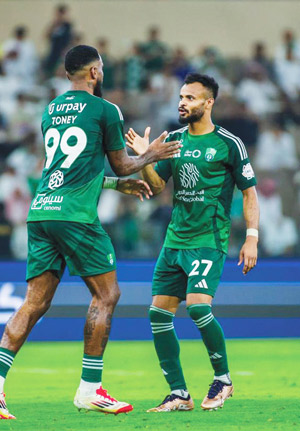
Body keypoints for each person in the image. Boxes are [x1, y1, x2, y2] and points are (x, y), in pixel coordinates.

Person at [0, 44, 181, 420]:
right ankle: (89, 389)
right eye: (101, 67)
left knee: (34, 302)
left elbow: (67, 167)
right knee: (107, 294)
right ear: (94, 72)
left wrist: (114, 185)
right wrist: (152, 154)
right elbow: (123, 163)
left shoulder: (51, 110)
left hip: (42, 211)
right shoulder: (106, 110)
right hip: (75, 217)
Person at [124, 73, 259, 412]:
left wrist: (251, 237)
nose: (182, 102)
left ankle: (223, 379)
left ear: (208, 103)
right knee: (158, 314)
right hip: (174, 241)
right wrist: (145, 158)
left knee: (198, 306)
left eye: (190, 98)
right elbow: (156, 186)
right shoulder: (174, 141)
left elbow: (249, 193)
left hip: (208, 239)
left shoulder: (229, 143)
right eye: (181, 96)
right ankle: (179, 394)